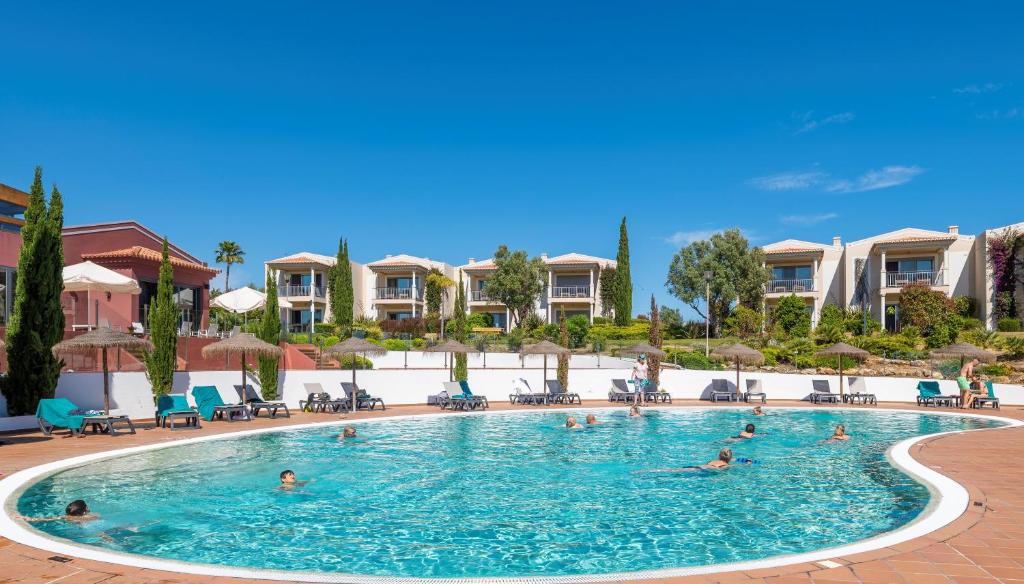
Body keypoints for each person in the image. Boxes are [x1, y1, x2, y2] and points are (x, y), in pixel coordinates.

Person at [14, 499, 99, 523]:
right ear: (86, 509)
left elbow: (47, 519)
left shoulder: (67, 517)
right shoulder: (94, 516)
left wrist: (29, 519)